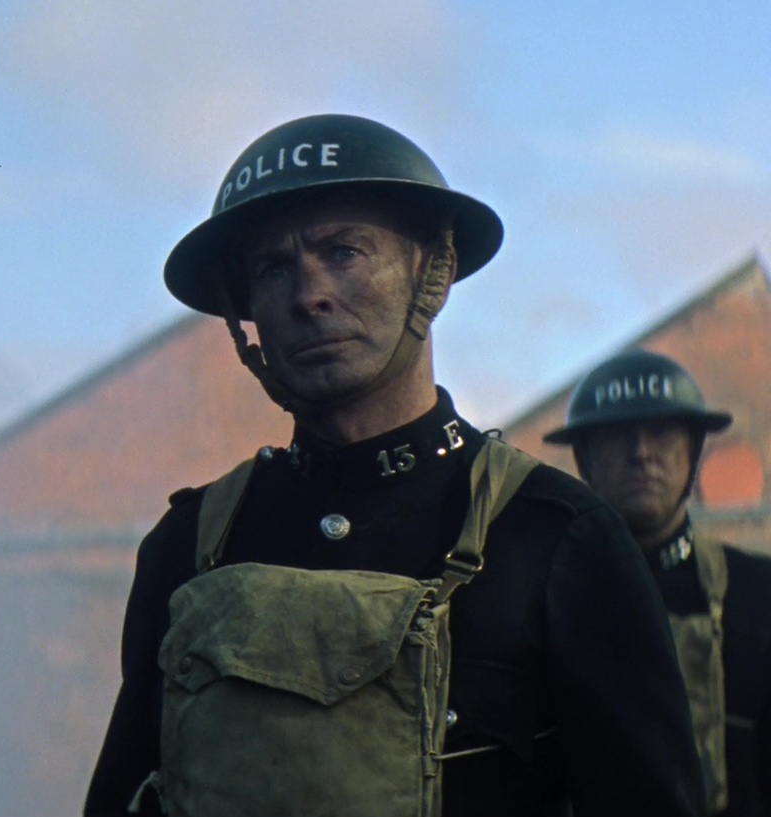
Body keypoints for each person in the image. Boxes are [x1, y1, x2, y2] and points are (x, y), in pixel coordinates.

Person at [82, 113, 704, 816]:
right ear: (244, 308)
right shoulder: (190, 545)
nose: (308, 295)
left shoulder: (557, 537)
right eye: (273, 268)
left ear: (434, 271)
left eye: (344, 251)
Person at [545, 349, 771, 816]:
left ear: (693, 450)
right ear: (584, 458)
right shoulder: (543, 598)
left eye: (662, 432)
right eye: (617, 436)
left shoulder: (759, 594)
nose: (642, 453)